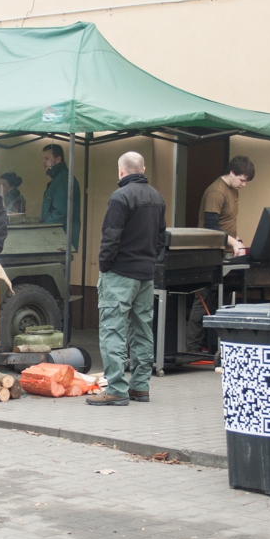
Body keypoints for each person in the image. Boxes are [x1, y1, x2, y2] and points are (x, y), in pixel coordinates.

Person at [87, 152, 167, 407]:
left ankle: (117, 389)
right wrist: (150, 262)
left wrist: (105, 267)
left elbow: (110, 237)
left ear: (121, 171)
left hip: (120, 274)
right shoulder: (157, 197)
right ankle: (140, 387)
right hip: (145, 275)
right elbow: (161, 238)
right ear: (142, 169)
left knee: (113, 331)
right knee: (142, 330)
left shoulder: (120, 197)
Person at [186, 155, 255, 351]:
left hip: (225, 251)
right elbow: (210, 227)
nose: (244, 185)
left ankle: (215, 344)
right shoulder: (216, 192)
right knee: (204, 298)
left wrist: (237, 240)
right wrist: (233, 241)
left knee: (223, 298)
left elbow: (226, 223)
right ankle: (193, 346)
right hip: (210, 252)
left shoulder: (233, 190)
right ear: (231, 173)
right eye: (242, 180)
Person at [41, 144, 81, 247]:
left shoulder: (62, 179)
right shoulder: (60, 178)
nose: (43, 162)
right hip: (59, 236)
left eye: (47, 158)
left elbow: (61, 212)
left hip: (59, 238)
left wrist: (44, 227)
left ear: (58, 159)